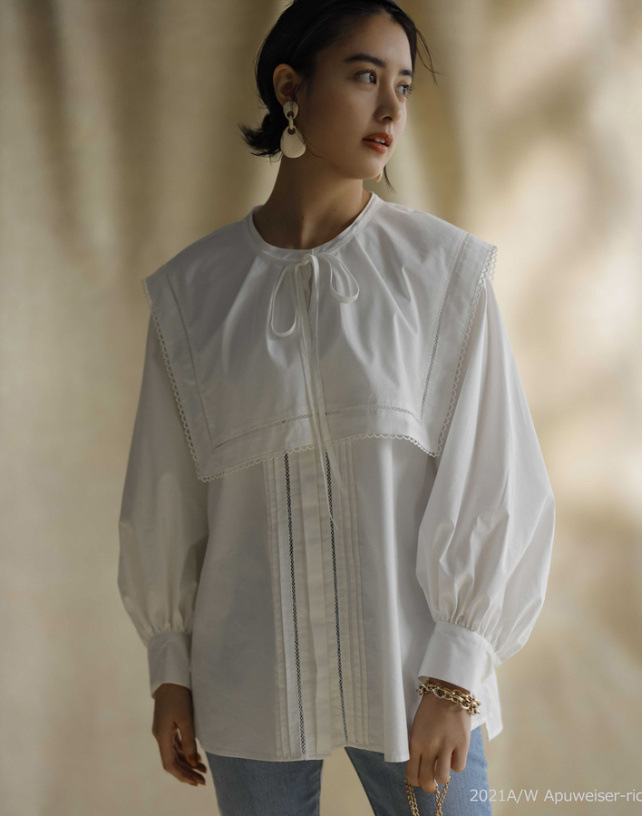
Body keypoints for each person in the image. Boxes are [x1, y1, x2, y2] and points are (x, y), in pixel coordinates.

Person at [117, 1, 556, 814]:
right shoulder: (195, 294)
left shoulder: (441, 274)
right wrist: (170, 666)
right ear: (291, 87)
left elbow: (498, 476)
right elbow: (165, 490)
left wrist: (457, 671)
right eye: (364, 77)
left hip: (415, 679)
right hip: (248, 680)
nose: (390, 110)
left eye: (403, 86)